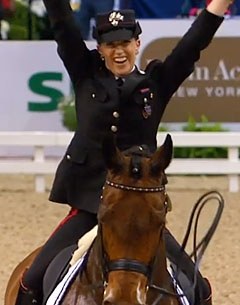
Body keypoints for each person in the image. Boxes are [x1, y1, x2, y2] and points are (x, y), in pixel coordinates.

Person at [15, 0, 233, 305]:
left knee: (200, 290)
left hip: (142, 209)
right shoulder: (85, 74)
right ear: (100, 49)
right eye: (110, 45)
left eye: (125, 43)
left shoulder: (156, 83)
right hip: (91, 203)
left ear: (137, 43)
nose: (119, 51)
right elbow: (63, 24)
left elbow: (192, 45)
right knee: (31, 280)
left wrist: (219, 5)